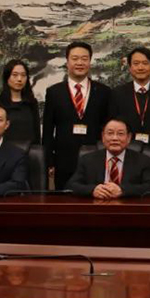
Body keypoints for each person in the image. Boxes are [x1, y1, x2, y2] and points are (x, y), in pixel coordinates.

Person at [42, 41, 111, 189]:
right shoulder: (54, 92)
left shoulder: (104, 91)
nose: (80, 63)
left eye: (84, 59)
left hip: (96, 159)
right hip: (63, 160)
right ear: (67, 62)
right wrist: (49, 161)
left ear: (90, 62)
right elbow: (48, 130)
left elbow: (108, 127)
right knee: (64, 200)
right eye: (75, 58)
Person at [108, 47, 150, 190]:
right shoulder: (118, 93)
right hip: (126, 156)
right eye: (136, 63)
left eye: (145, 63)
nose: (140, 67)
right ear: (130, 67)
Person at [68, 118, 150, 199]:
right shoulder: (87, 159)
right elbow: (71, 185)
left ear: (129, 138)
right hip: (97, 207)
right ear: (103, 137)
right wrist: (92, 190)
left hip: (129, 208)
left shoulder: (144, 161)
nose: (115, 138)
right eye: (110, 133)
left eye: (120, 134)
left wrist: (123, 190)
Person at [0, 59, 40, 145]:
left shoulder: (31, 103)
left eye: (23, 75)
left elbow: (36, 132)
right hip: (5, 150)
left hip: (29, 150)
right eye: (15, 75)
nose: (19, 79)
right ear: (7, 77)